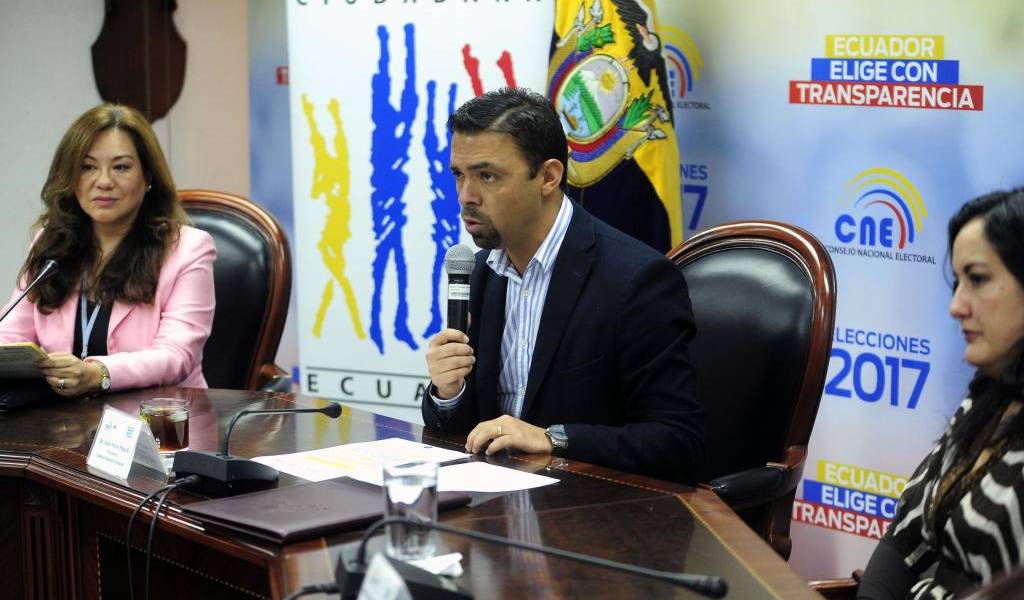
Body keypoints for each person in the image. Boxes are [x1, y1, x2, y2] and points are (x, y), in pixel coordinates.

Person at [422, 87, 703, 483]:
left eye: (487, 176)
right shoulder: (483, 271)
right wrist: (449, 393)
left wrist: (554, 439)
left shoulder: (635, 279)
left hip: (591, 505)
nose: (467, 196)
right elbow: (470, 427)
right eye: (459, 175)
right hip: (497, 496)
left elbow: (678, 441)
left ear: (548, 177)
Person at [858, 189, 1024, 599]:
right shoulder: (987, 398)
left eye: (978, 279)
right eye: (957, 282)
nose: (956, 305)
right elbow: (905, 536)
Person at [0, 103, 216, 397]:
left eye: (121, 167)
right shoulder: (52, 244)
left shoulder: (188, 250)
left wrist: (97, 374)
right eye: (87, 167)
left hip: (158, 417)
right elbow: (11, 335)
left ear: (148, 177)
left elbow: (176, 355)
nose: (103, 182)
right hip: (63, 419)